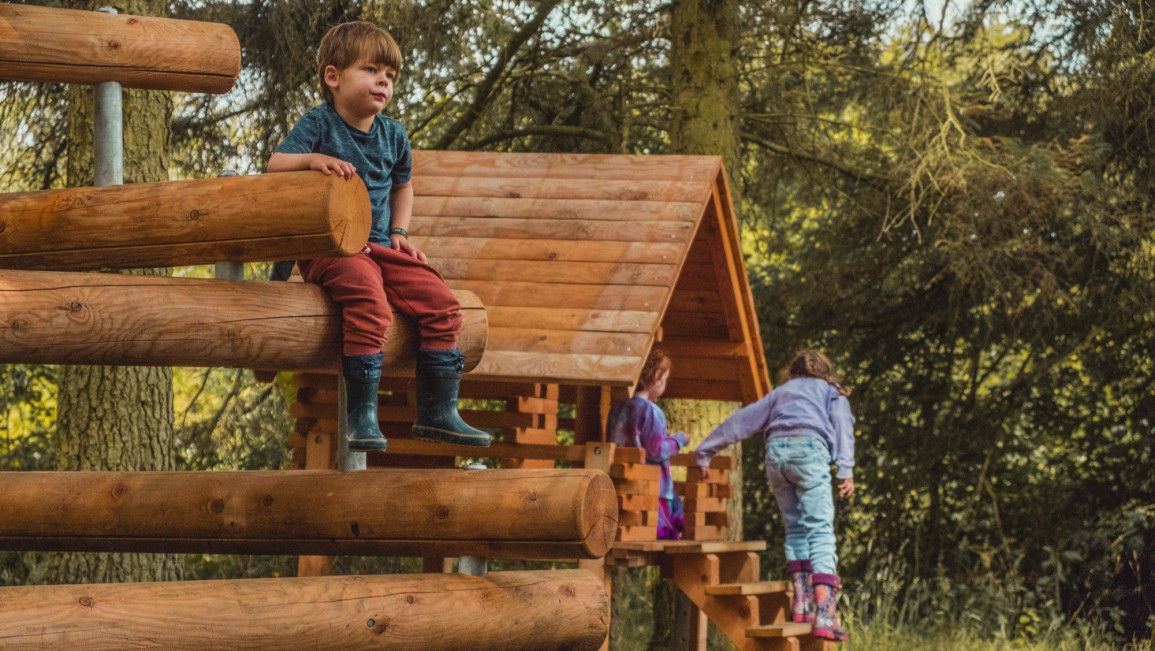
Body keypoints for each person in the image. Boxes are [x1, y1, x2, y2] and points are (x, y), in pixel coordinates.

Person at [267, 21, 489, 451]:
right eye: (370, 70)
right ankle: (361, 417)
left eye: (390, 75)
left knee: (443, 302)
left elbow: (404, 186)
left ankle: (437, 413)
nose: (383, 81)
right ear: (333, 77)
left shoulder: (394, 135)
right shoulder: (320, 123)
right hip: (331, 249)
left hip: (381, 247)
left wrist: (400, 231)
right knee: (370, 302)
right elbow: (275, 164)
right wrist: (311, 160)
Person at [695, 350, 855, 642]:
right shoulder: (830, 392)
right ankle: (824, 615)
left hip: (776, 457)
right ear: (826, 374)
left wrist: (705, 451)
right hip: (809, 452)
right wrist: (845, 469)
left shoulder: (781, 393)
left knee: (795, 529)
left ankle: (803, 605)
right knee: (820, 530)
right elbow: (843, 423)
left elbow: (741, 421)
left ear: (792, 374)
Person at [606, 347, 688, 540]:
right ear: (657, 376)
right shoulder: (652, 412)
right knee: (664, 532)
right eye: (665, 379)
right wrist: (679, 440)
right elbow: (656, 450)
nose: (664, 385)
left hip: (622, 485)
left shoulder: (616, 408)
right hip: (652, 489)